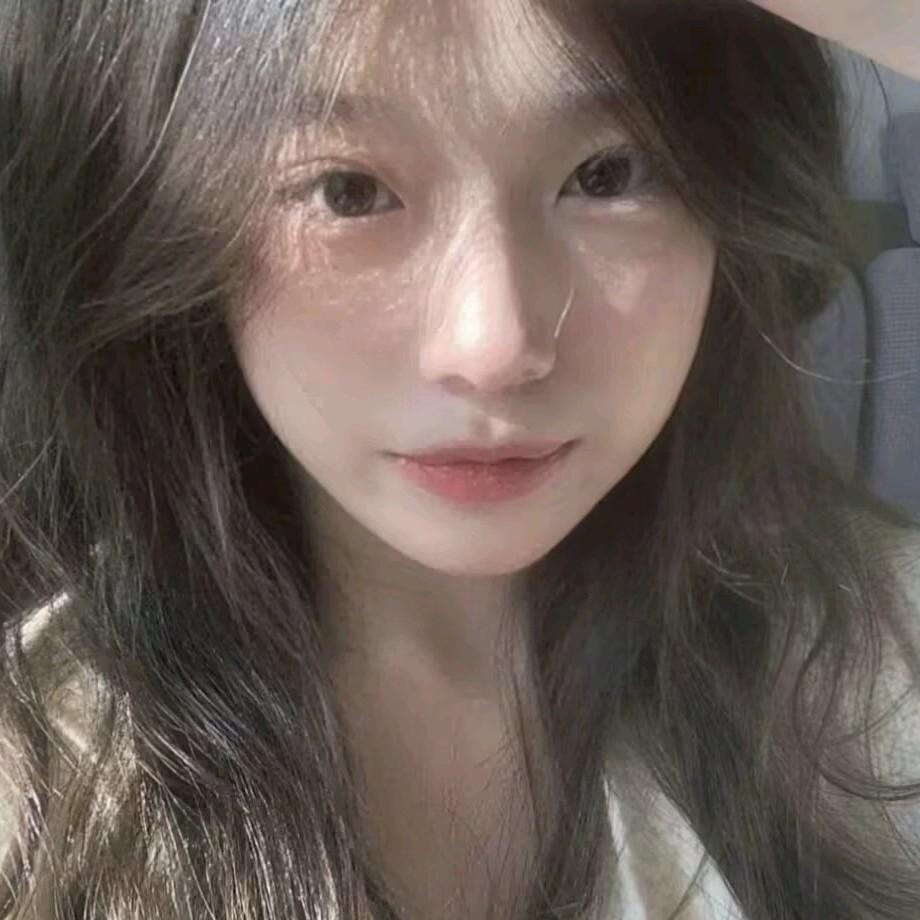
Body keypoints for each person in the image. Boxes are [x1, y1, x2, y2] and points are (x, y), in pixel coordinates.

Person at [0, 1, 918, 918]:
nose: (495, 346)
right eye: (347, 191)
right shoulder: (37, 776)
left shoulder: (885, 661)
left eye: (609, 174)